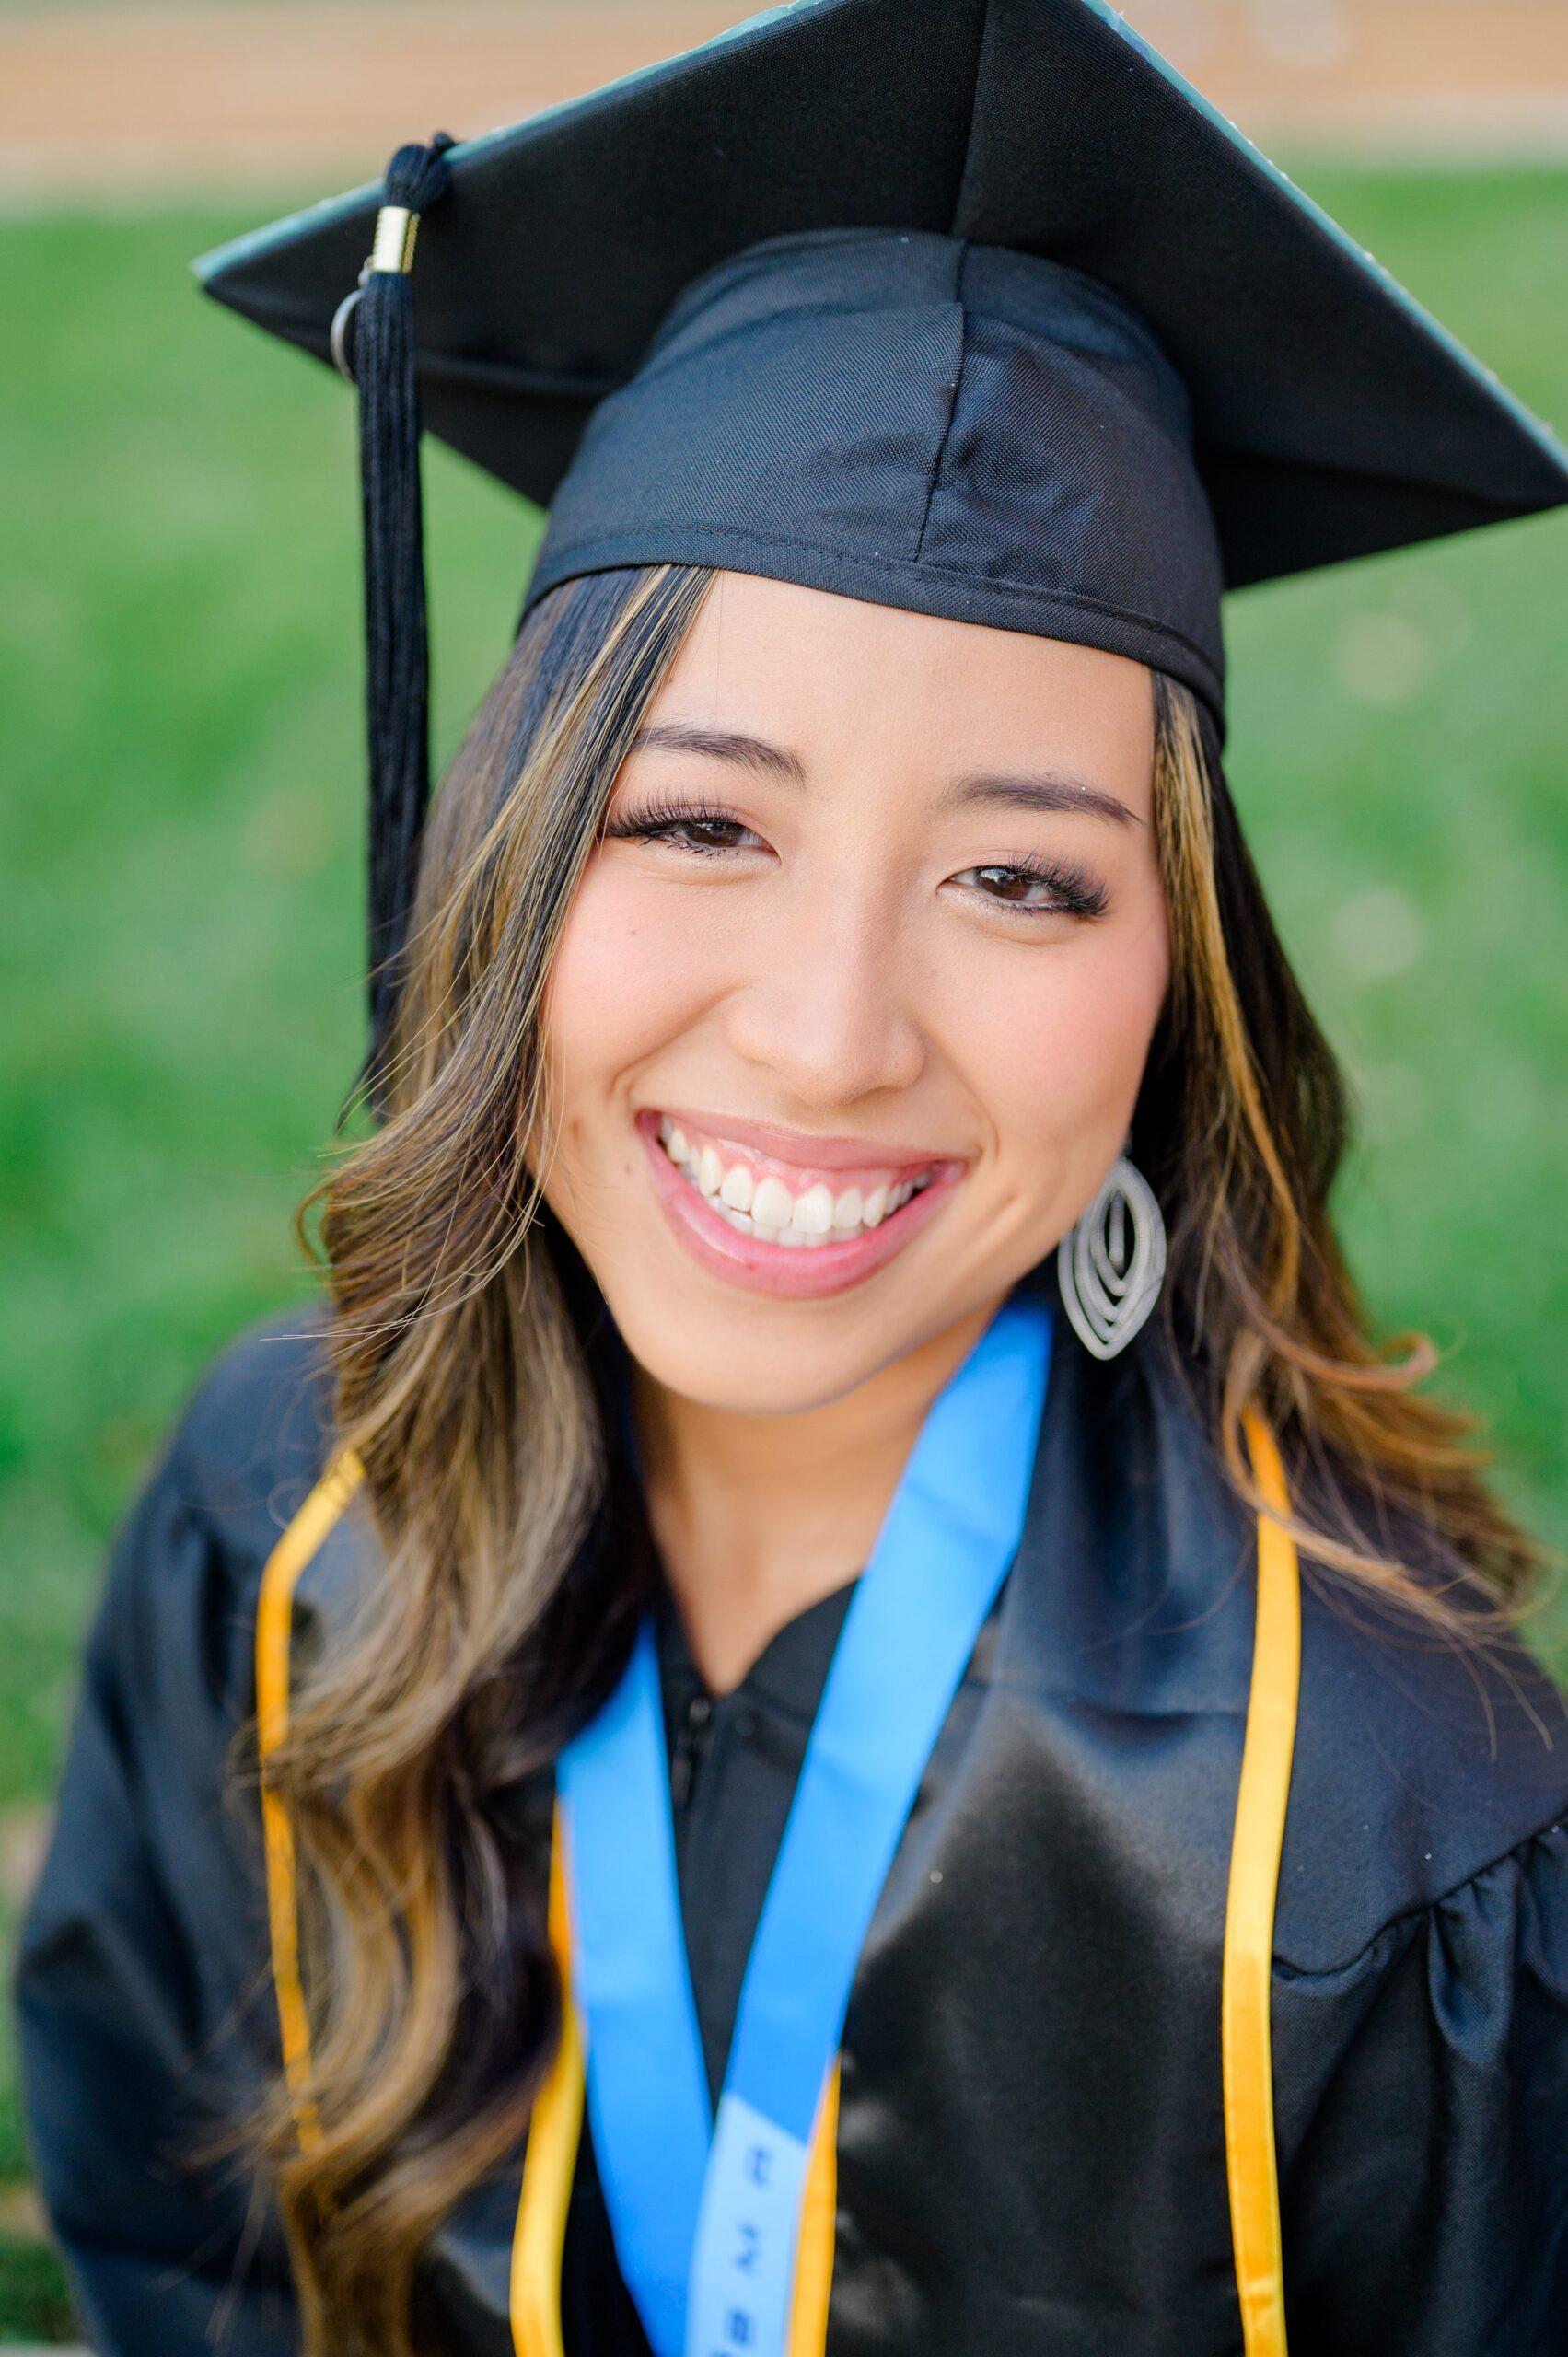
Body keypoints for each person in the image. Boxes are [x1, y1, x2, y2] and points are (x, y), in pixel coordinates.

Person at [16, 1, 1568, 2352]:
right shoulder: (279, 1524)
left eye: (1025, 881)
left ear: (1177, 985)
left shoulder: (1373, 1821)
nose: (830, 1037)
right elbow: (166, 2244)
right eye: (698, 821)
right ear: (511, 866)